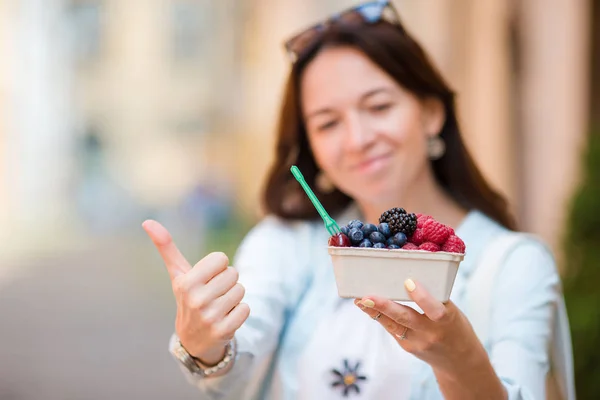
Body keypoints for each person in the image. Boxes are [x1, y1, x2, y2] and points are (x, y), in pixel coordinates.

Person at [142, 1, 574, 399]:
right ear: (312, 149)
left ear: (430, 113)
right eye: (328, 123)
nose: (358, 139)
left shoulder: (514, 265)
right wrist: (204, 342)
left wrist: (461, 361)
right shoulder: (286, 243)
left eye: (379, 106)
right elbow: (234, 369)